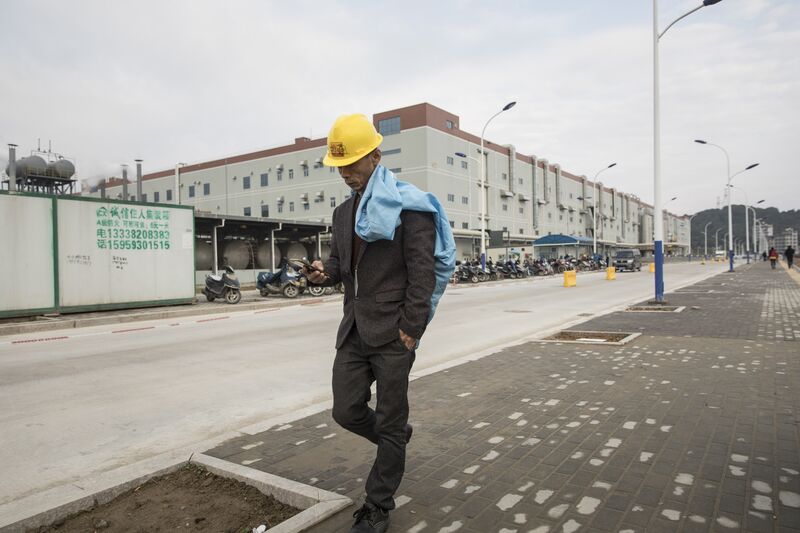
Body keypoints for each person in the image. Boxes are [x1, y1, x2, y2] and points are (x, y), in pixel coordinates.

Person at [305, 114, 454, 533]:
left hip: (393, 333)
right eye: (340, 166)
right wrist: (322, 273)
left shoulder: (411, 208)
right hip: (354, 330)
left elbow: (422, 273)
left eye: (351, 163)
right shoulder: (342, 213)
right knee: (346, 410)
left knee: (389, 419)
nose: (345, 173)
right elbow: (340, 266)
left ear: (375, 156)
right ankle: (395, 440)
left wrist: (412, 329)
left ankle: (378, 505)